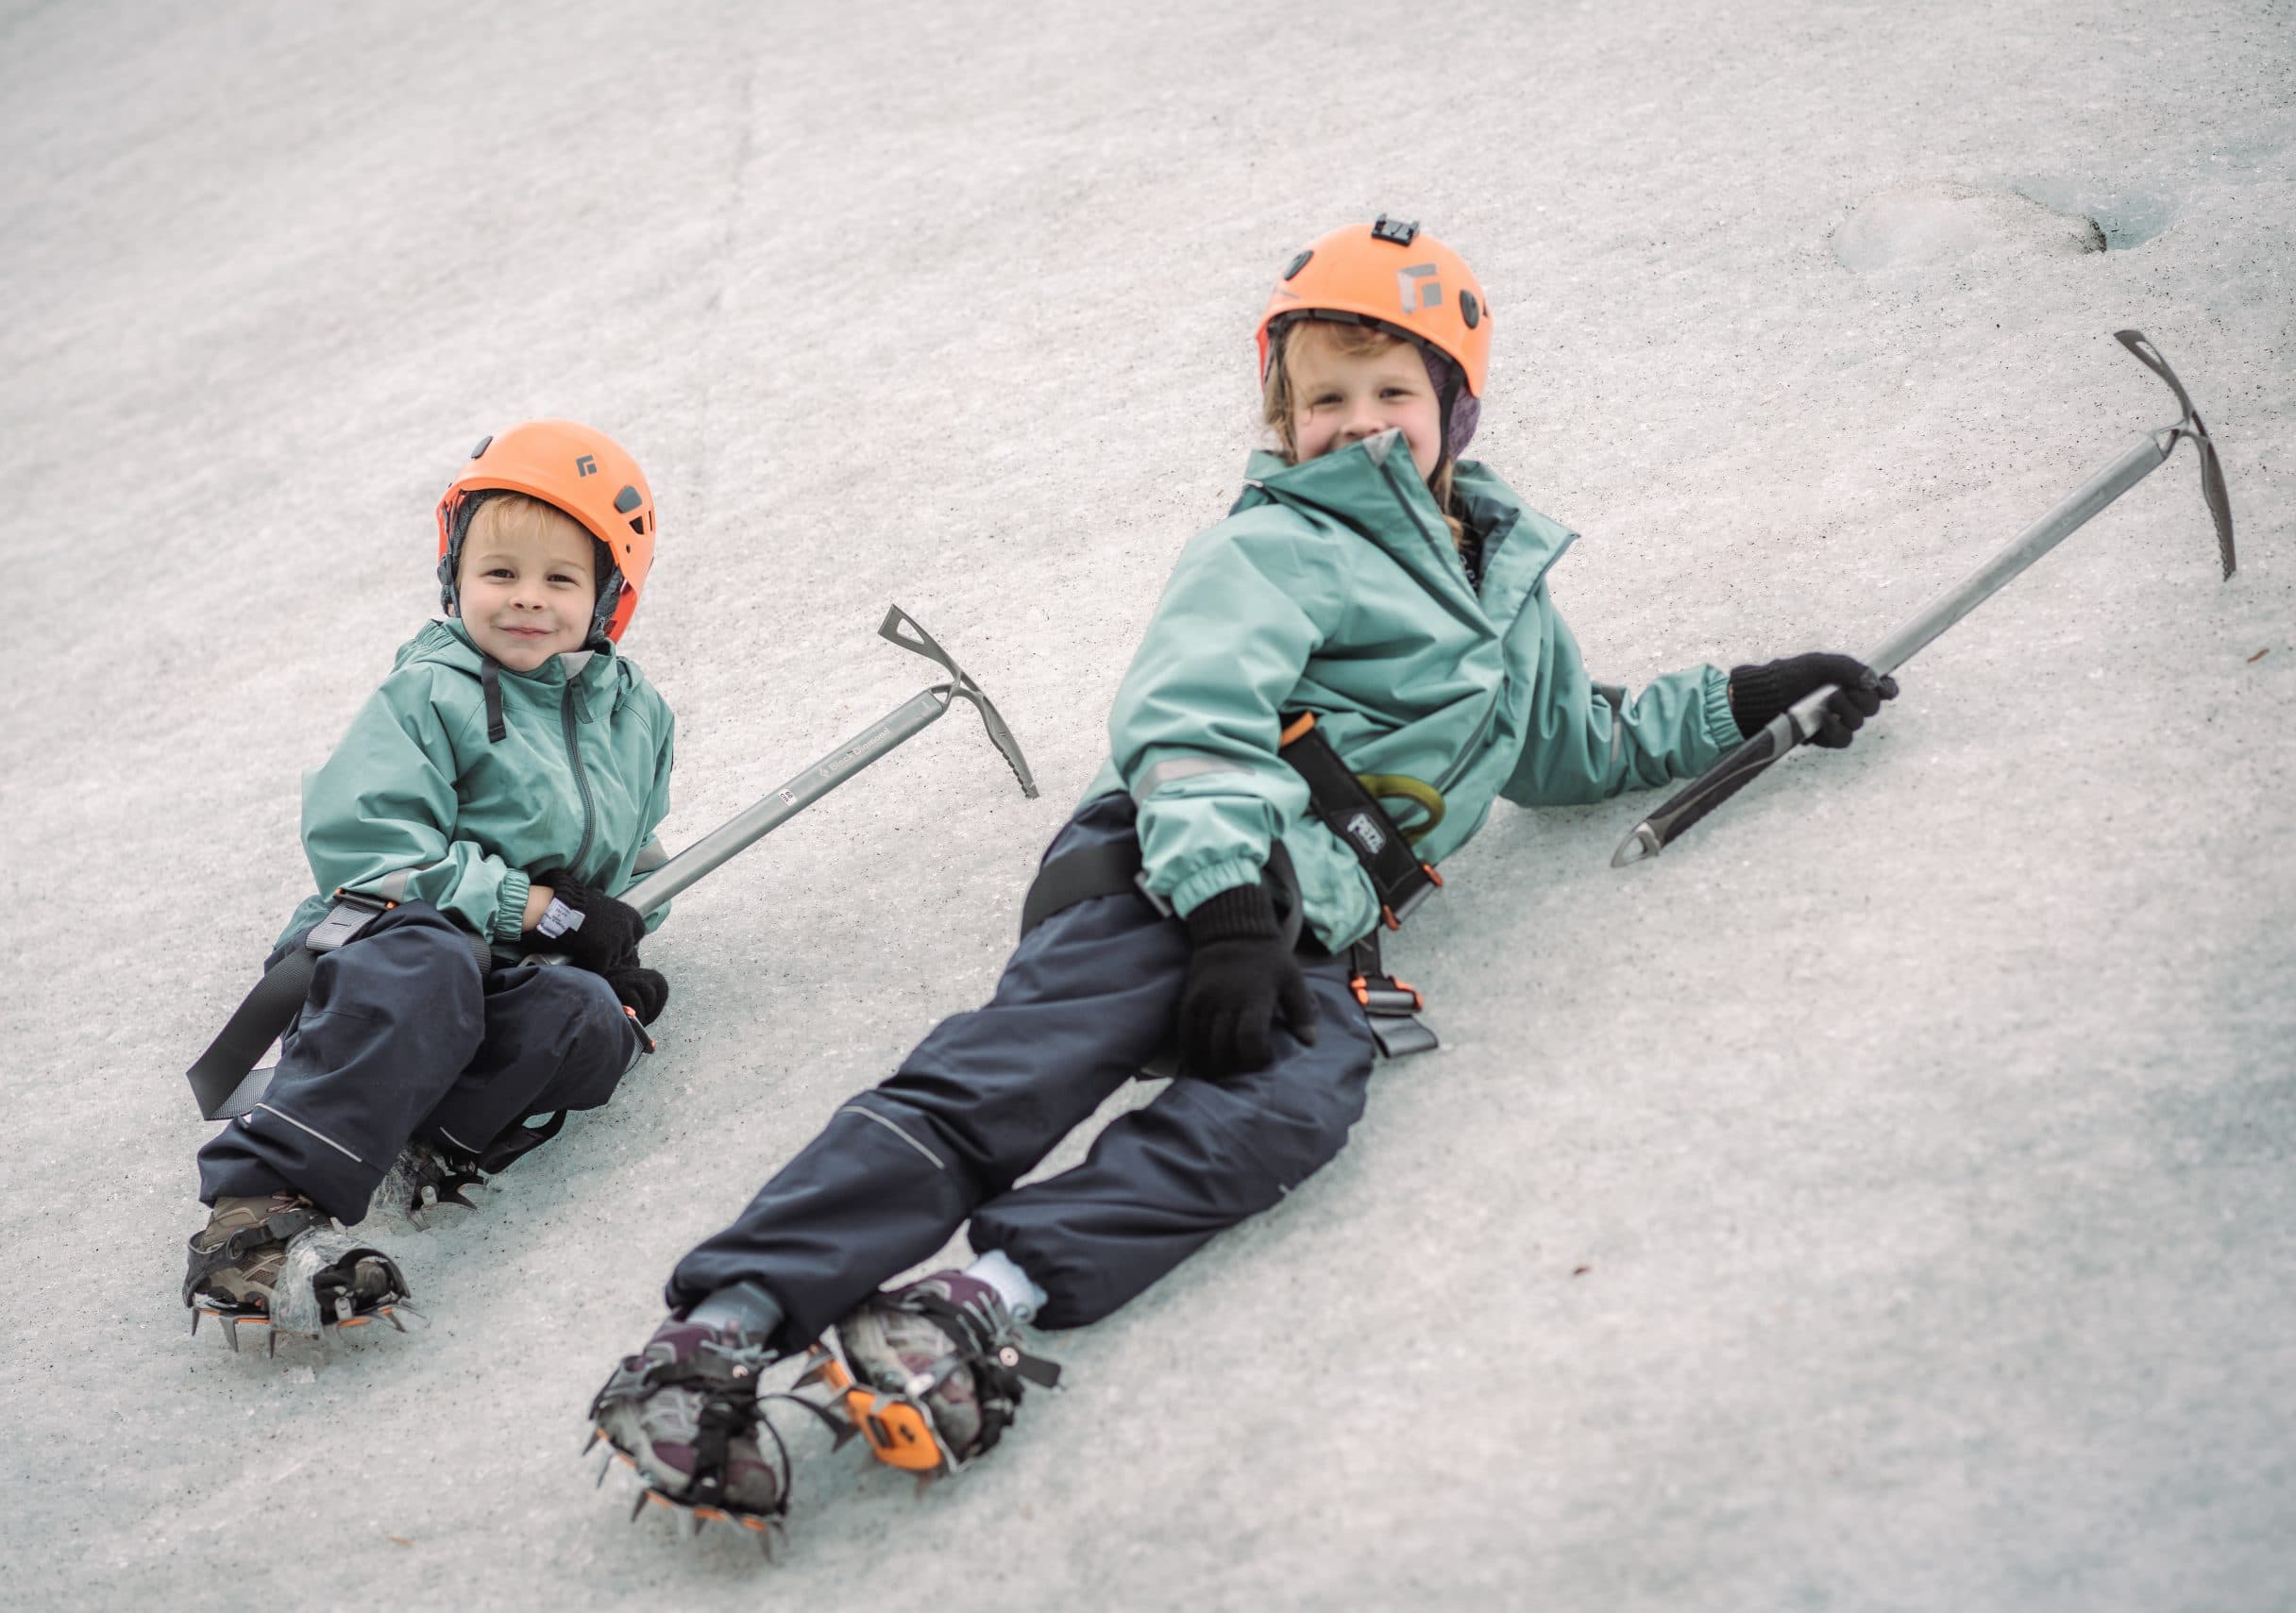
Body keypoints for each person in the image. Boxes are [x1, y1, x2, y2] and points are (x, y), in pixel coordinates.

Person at [584, 217, 1893, 1527]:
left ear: (1458, 407)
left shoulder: (1509, 593)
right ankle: (721, 1328)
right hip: (1171, 862)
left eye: (1395, 393)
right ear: (1283, 413)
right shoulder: (1274, 546)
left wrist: (1751, 700)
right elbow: (1191, 718)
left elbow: (1574, 745)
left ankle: (980, 1301)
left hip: (1315, 931)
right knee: (1020, 1071)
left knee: (1300, 1102)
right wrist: (1219, 906)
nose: (1361, 423)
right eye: (1325, 398)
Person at [183, 420, 679, 1349]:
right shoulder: (429, 691)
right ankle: (257, 1207)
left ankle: (426, 1147)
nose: (525, 600)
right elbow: (368, 845)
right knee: (434, 961)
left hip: (499, 973)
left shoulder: (637, 716)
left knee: (586, 1019)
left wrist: (616, 937)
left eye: (559, 580)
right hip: (375, 947)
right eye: (500, 573)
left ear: (610, 595)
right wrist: (533, 905)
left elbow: (635, 853)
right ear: (456, 573)